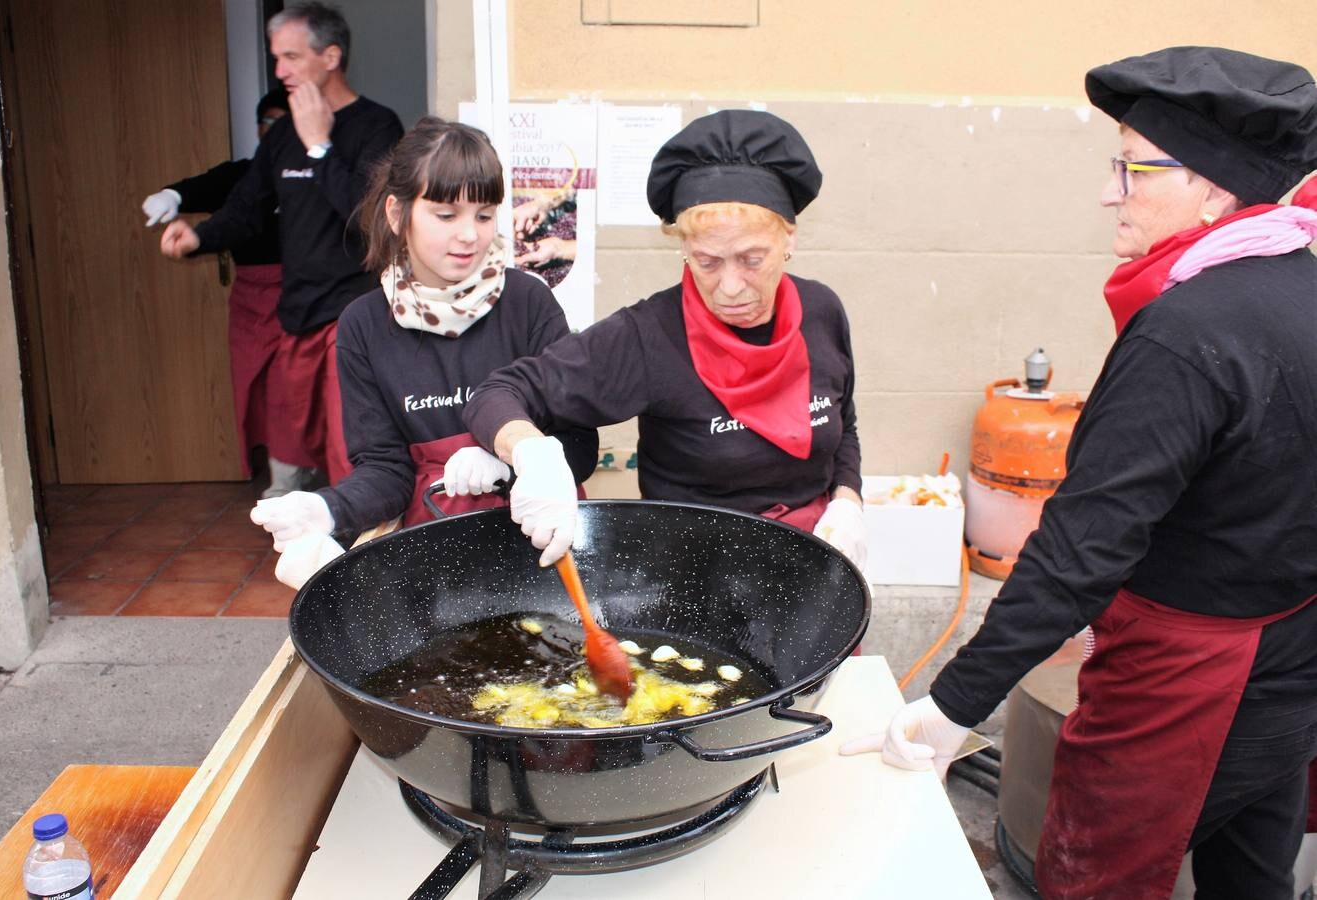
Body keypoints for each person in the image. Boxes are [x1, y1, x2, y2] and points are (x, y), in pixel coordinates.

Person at [842, 47, 1317, 900]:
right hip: (1289, 657)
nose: (1109, 192)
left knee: (1095, 880)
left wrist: (953, 707)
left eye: (1131, 165)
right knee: (1253, 872)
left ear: (1209, 185)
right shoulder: (1301, 282)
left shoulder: (1186, 332)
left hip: (1178, 679)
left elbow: (1079, 549)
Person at [462, 109, 869, 572]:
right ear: (684, 250)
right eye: (708, 261)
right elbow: (500, 393)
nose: (731, 286)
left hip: (812, 562)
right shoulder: (648, 335)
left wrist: (848, 499)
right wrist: (531, 452)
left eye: (752, 259)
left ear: (788, 238)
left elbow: (844, 426)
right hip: (693, 575)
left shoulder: (822, 312)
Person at [248, 117, 598, 571]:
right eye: (446, 215)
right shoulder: (364, 325)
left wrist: (509, 463)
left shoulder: (529, 302)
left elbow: (580, 446)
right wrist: (329, 508)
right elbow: (385, 472)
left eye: (485, 214)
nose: (470, 235)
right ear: (398, 214)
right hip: (434, 547)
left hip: (542, 538)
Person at [159, 3, 402, 486]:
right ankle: (299, 549)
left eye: (290, 56)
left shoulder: (377, 126)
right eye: (276, 58)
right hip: (296, 317)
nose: (279, 71)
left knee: (349, 457)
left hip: (352, 319)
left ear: (330, 56)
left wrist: (319, 147)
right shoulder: (282, 134)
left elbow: (370, 217)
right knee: (289, 467)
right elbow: (247, 207)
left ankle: (355, 555)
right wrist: (199, 236)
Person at [142, 89, 307, 497]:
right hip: (251, 299)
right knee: (262, 390)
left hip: (306, 299)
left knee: (301, 389)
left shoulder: (316, 175)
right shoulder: (244, 176)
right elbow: (209, 192)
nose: (273, 131)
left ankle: (312, 483)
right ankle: (284, 485)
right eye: (267, 122)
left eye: (282, 123)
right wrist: (174, 196)